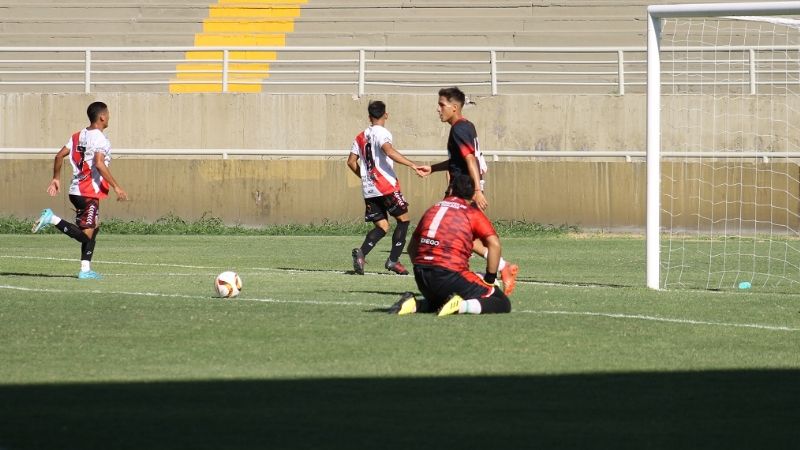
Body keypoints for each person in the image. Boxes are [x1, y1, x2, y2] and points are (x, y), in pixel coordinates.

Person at [418, 86, 519, 294]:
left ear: (454, 107)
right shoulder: (465, 126)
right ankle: (499, 269)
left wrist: (476, 190)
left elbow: (470, 159)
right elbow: (458, 159)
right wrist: (433, 168)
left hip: (463, 189)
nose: (438, 109)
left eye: (441, 105)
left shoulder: (459, 129)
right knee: (466, 236)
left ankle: (489, 276)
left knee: (456, 233)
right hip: (463, 187)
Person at [388, 174, 511, 316]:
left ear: (451, 190)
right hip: (449, 274)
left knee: (442, 299)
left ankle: (415, 304)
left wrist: (425, 266)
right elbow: (494, 244)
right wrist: (490, 278)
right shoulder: (471, 212)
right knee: (501, 301)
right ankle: (461, 306)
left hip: (422, 277)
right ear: (473, 194)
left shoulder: (433, 209)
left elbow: (411, 248)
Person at [31, 101, 128, 279]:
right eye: (108, 114)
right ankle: (51, 218)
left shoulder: (77, 135)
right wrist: (116, 186)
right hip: (87, 192)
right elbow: (99, 163)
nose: (109, 117)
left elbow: (59, 155)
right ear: (102, 117)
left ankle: (85, 270)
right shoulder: (100, 138)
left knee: (94, 228)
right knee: (85, 236)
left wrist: (56, 178)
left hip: (76, 190)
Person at [347, 100, 425, 275]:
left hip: (369, 189)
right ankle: (393, 261)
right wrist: (412, 165)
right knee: (403, 220)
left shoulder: (360, 136)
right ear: (386, 115)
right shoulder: (382, 132)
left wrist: (365, 176)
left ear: (369, 116)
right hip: (386, 187)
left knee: (382, 226)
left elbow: (351, 162)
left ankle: (361, 254)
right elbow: (389, 151)